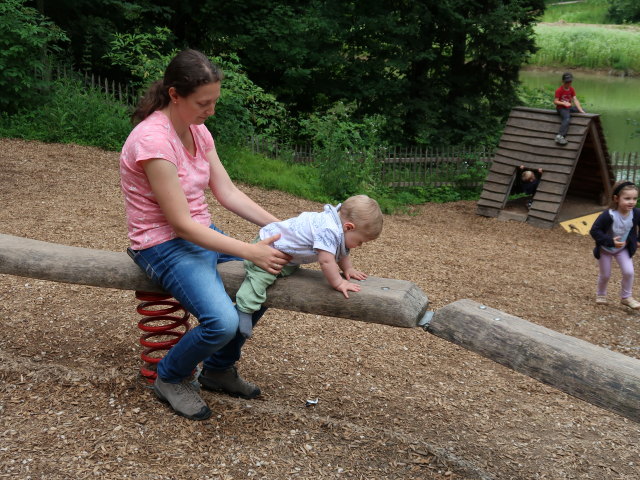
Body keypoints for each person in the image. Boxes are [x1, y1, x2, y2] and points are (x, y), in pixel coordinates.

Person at [120, 49, 292, 421]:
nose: (210, 110)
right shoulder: (153, 141)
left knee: (264, 280)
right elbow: (180, 224)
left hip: (202, 232)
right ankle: (170, 377)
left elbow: (227, 192)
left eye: (214, 101)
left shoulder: (197, 129)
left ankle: (217, 369)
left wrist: (280, 228)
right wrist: (250, 250)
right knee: (222, 321)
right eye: (203, 103)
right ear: (174, 95)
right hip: (162, 243)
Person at [234, 195, 384, 338]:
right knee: (261, 276)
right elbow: (326, 261)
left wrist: (348, 269)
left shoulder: (336, 224)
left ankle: (275, 274)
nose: (360, 245)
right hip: (267, 249)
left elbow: (341, 251)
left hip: (286, 254)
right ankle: (245, 308)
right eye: (360, 241)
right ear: (349, 227)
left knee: (283, 271)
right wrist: (338, 282)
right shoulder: (328, 230)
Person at [589, 181, 640, 309]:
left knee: (629, 272)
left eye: (634, 198)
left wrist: (638, 240)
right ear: (616, 198)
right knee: (605, 274)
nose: (631, 202)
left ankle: (626, 297)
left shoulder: (636, 213)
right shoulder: (608, 215)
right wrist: (610, 241)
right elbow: (594, 230)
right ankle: (601, 294)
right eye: (627, 198)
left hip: (623, 249)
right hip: (605, 249)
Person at [553, 72, 585, 145]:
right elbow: (555, 101)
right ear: (563, 81)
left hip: (568, 107)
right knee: (567, 117)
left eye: (570, 81)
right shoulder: (559, 90)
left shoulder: (571, 89)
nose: (568, 83)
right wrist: (564, 103)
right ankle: (560, 136)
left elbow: (575, 100)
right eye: (567, 82)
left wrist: (581, 110)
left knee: (584, 110)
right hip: (561, 108)